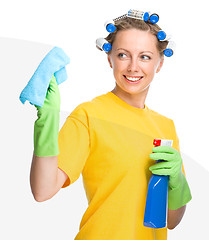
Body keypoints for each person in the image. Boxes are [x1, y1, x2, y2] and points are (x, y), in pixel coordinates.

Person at [30, 10, 192, 240]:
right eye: (123, 55)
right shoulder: (88, 115)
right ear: (110, 58)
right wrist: (46, 122)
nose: (133, 67)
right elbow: (42, 190)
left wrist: (178, 183)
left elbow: (172, 220)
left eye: (145, 56)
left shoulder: (166, 127)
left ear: (159, 63)